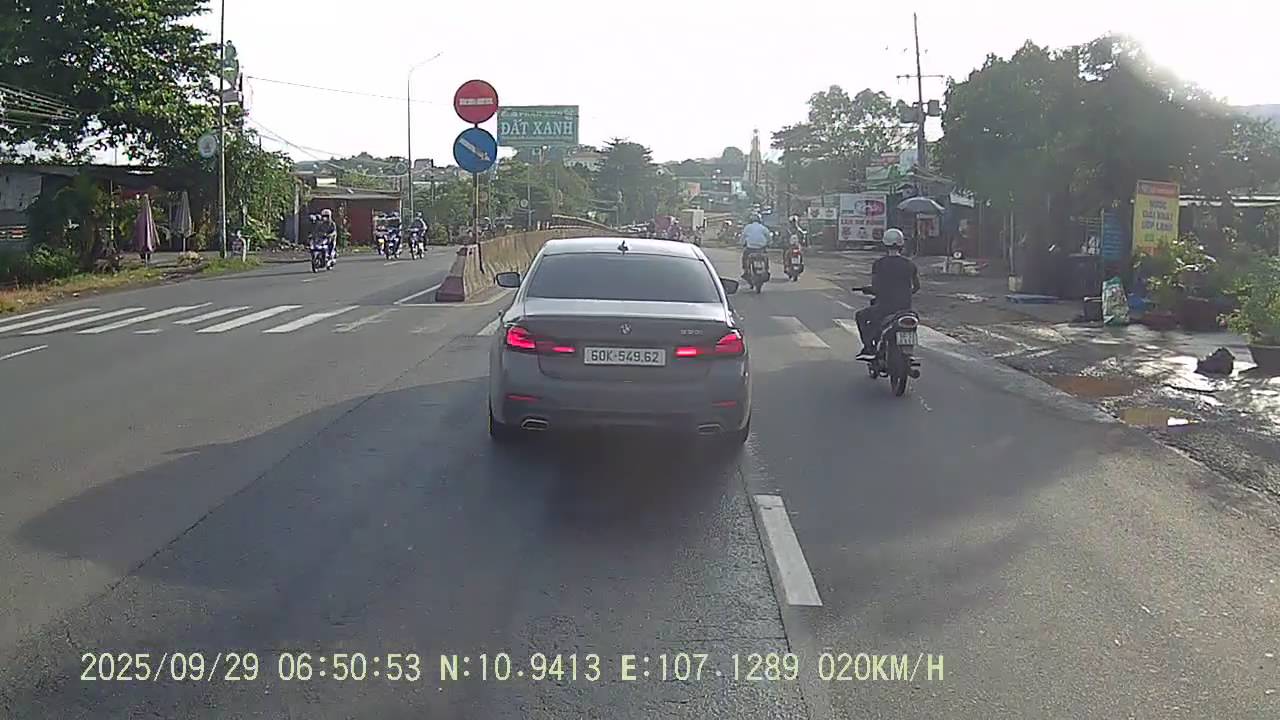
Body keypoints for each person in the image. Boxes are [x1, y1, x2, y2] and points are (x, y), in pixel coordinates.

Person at [855, 228, 920, 360]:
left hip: (884, 308)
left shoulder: (879, 264)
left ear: (884, 244)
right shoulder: (910, 264)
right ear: (902, 245)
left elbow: (876, 287)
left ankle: (869, 348)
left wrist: (868, 289)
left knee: (860, 316)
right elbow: (916, 287)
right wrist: (905, 293)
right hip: (906, 308)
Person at [740, 211, 772, 278]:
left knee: (745, 257)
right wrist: (769, 243)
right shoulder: (763, 228)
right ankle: (766, 269)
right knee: (766, 258)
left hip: (750, 249)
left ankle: (746, 271)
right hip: (761, 249)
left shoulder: (747, 227)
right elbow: (769, 237)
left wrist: (742, 243)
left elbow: (743, 237)